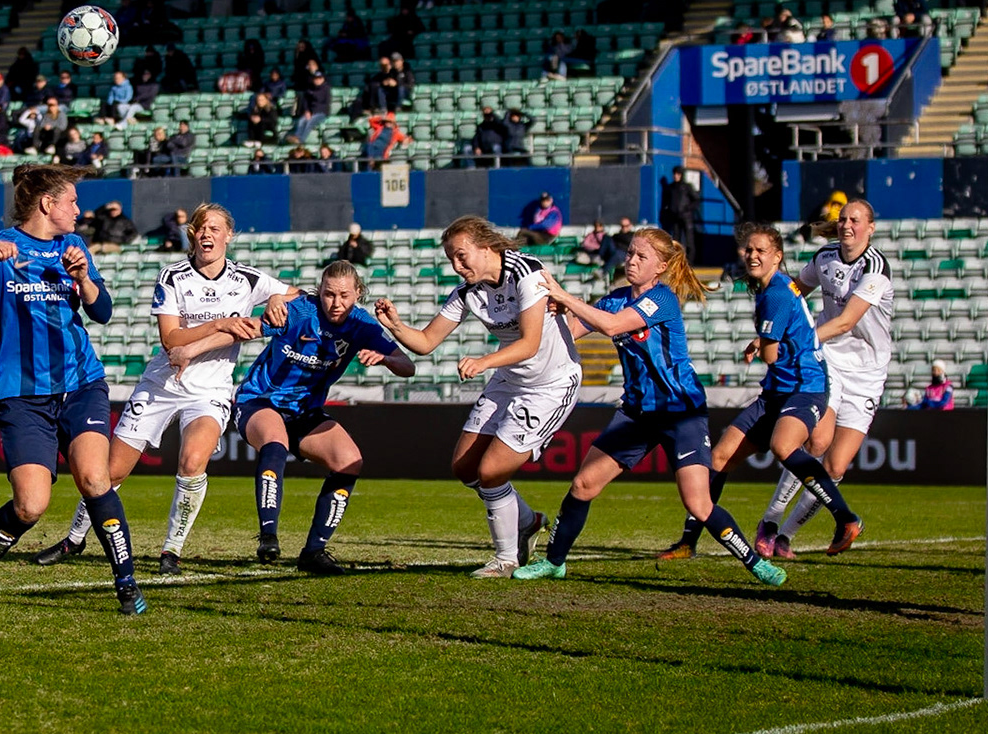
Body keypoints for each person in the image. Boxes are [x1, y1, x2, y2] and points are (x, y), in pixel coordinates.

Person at [515, 231, 787, 586]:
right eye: (629, 254)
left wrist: (565, 296)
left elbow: (611, 326)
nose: (630, 260)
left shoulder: (662, 299)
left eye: (641, 257)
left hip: (681, 413)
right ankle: (554, 562)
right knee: (583, 484)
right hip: (637, 415)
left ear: (660, 267)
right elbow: (569, 330)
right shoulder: (615, 300)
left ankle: (755, 563)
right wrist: (547, 311)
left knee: (698, 504)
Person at [38, 204, 298, 574]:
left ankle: (171, 551)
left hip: (210, 391)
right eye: (200, 228)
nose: (207, 234)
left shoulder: (248, 279)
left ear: (228, 236)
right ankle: (74, 539)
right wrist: (221, 323)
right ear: (192, 235)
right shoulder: (173, 276)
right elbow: (171, 339)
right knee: (110, 473)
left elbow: (301, 296)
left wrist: (276, 298)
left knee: (193, 462)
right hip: (161, 385)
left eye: (215, 228)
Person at [0, 164, 147, 616]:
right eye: (71, 201)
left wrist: (84, 280)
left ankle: (126, 584)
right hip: (22, 394)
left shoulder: (73, 246)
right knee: (31, 505)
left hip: (81, 384)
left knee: (95, 480)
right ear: (47, 204)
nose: (78, 209)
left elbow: (104, 312)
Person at [374, 217, 582, 576]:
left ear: (486, 248)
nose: (457, 265)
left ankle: (506, 559)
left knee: (490, 470)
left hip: (551, 384)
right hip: (510, 378)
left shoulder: (525, 272)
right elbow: (426, 343)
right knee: (465, 467)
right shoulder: (468, 291)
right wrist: (394, 325)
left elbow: (530, 344)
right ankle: (528, 521)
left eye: (461, 255)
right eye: (451, 259)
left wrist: (484, 361)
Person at [659, 224, 863, 561]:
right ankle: (688, 541)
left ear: (777, 257)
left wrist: (765, 345)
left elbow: (772, 355)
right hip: (777, 391)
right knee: (720, 457)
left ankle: (846, 518)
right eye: (749, 250)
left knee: (784, 446)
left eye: (761, 251)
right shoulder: (775, 288)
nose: (753, 256)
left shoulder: (777, 294)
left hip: (804, 387)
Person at [232, 262, 414, 572]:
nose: (336, 303)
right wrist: (191, 345)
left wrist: (385, 359)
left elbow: (407, 366)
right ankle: (268, 536)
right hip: (260, 401)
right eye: (329, 294)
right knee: (274, 443)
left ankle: (314, 552)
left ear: (358, 293)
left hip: (306, 412)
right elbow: (248, 328)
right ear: (320, 291)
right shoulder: (300, 311)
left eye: (344, 295)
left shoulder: (362, 324)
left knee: (349, 461)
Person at [754, 200, 894, 556]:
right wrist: (773, 324)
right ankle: (769, 521)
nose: (847, 225)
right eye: (843, 219)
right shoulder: (825, 257)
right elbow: (796, 289)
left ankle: (784, 535)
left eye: (855, 220)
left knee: (835, 465)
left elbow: (847, 321)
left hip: (867, 372)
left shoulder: (875, 269)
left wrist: (796, 337)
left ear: (870, 227)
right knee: (816, 442)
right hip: (827, 358)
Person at [661, 166, 700, 246]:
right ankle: (677, 258)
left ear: (681, 175)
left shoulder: (687, 187)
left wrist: (687, 208)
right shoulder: (671, 188)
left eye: (678, 174)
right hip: (675, 217)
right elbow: (666, 202)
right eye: (674, 174)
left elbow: (696, 200)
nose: (675, 176)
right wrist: (667, 212)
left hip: (686, 217)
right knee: (675, 241)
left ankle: (690, 258)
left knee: (689, 240)